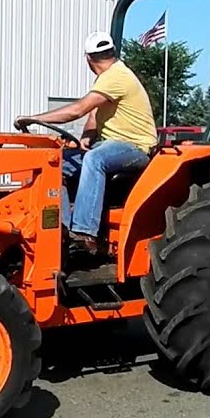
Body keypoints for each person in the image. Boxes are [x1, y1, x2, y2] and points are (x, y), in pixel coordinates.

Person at [14, 31, 157, 254]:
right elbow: (92, 113)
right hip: (109, 144)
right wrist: (87, 137)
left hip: (135, 148)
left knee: (95, 159)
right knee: (55, 164)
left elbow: (78, 109)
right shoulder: (107, 78)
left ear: (89, 59)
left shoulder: (118, 76)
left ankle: (84, 232)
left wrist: (34, 118)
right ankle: (61, 227)